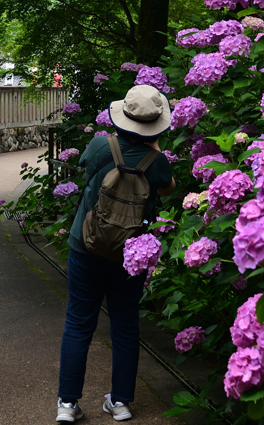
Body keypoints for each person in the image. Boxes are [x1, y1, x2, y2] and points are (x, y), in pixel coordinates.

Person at [57, 84, 176, 423]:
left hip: (87, 246)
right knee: (125, 326)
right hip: (130, 255)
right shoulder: (158, 161)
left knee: (78, 323)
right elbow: (168, 188)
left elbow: (86, 170)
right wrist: (153, 148)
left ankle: (67, 404)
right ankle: (120, 402)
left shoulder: (99, 144)